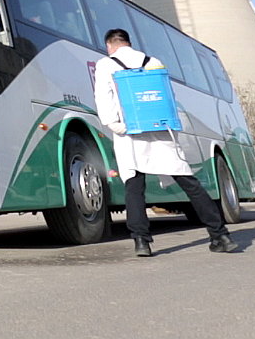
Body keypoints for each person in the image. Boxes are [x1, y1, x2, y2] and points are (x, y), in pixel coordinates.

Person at [93, 28, 238, 256]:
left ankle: (141, 241)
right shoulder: (153, 62)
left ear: (109, 45)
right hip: (161, 130)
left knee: (134, 187)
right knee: (189, 182)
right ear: (129, 42)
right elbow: (167, 97)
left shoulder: (106, 64)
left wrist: (113, 124)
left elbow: (103, 97)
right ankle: (220, 235)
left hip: (130, 133)